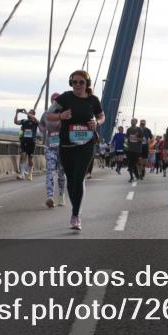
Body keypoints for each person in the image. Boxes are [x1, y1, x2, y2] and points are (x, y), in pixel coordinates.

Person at [48, 70, 104, 231]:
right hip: (67, 146)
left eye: (81, 82)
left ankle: (75, 215)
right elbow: (48, 115)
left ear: (87, 84)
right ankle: (76, 209)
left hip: (86, 145)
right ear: (70, 83)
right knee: (71, 181)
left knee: (79, 179)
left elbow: (102, 116)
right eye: (74, 82)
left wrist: (97, 122)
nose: (77, 85)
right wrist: (61, 116)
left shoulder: (93, 100)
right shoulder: (65, 98)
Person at [40, 92, 66, 208]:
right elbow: (41, 124)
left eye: (57, 100)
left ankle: (61, 195)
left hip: (62, 148)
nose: (55, 101)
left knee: (61, 174)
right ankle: (50, 197)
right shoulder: (46, 114)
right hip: (50, 147)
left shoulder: (64, 114)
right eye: (53, 100)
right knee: (50, 171)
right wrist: (44, 131)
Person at [14, 107, 38, 179]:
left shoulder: (35, 121)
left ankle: (30, 174)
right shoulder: (24, 121)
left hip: (32, 142)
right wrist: (17, 113)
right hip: (24, 141)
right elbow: (16, 122)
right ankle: (22, 174)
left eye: (31, 113)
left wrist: (26, 112)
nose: (29, 113)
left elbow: (36, 120)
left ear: (33, 115)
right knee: (22, 156)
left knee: (30, 159)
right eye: (29, 112)